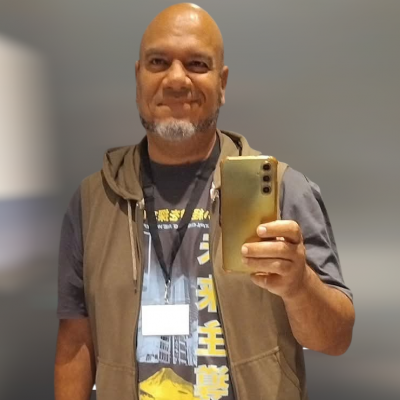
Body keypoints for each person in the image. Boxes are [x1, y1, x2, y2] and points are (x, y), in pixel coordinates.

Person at [54, 3, 355, 400]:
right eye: (159, 62)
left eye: (197, 64)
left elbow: (336, 338)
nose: (176, 79)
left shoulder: (283, 190)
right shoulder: (94, 201)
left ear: (222, 83)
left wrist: (299, 286)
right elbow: (76, 339)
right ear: (139, 77)